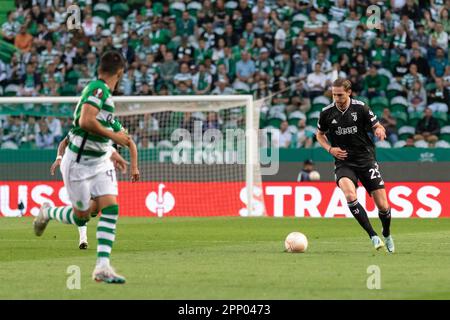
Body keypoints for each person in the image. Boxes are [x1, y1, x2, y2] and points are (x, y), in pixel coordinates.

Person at [33, 51, 140, 284]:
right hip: (78, 164)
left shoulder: (103, 95)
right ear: (120, 73)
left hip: (100, 162)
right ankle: (48, 211)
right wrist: (114, 138)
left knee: (110, 207)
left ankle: (102, 266)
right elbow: (85, 122)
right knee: (81, 216)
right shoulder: (98, 89)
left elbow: (96, 130)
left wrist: (112, 152)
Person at [316, 78, 395, 253]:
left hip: (365, 159)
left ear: (349, 92)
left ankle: (386, 233)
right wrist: (330, 149)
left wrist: (379, 129)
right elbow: (319, 135)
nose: (336, 98)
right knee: (350, 195)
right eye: (334, 94)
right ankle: (373, 236)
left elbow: (377, 125)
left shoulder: (361, 108)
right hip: (344, 161)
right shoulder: (326, 113)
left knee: (382, 206)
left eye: (340, 95)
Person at [50, 136, 131, 250]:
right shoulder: (81, 129)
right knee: (83, 210)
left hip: (101, 175)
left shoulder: (111, 131)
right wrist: (59, 157)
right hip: (81, 173)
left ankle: (50, 211)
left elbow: (123, 145)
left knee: (92, 211)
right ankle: (83, 239)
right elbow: (64, 143)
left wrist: (119, 159)